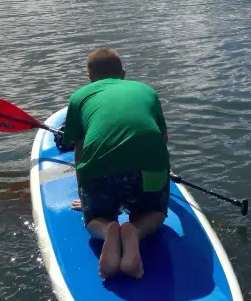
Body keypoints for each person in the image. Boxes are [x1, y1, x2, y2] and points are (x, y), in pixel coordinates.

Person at [61, 48, 171, 280]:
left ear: (89, 77)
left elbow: (79, 148)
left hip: (100, 173)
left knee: (93, 220)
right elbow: (163, 139)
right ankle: (135, 231)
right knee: (155, 214)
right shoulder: (147, 91)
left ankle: (106, 228)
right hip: (148, 169)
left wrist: (85, 193)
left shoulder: (79, 97)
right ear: (123, 73)